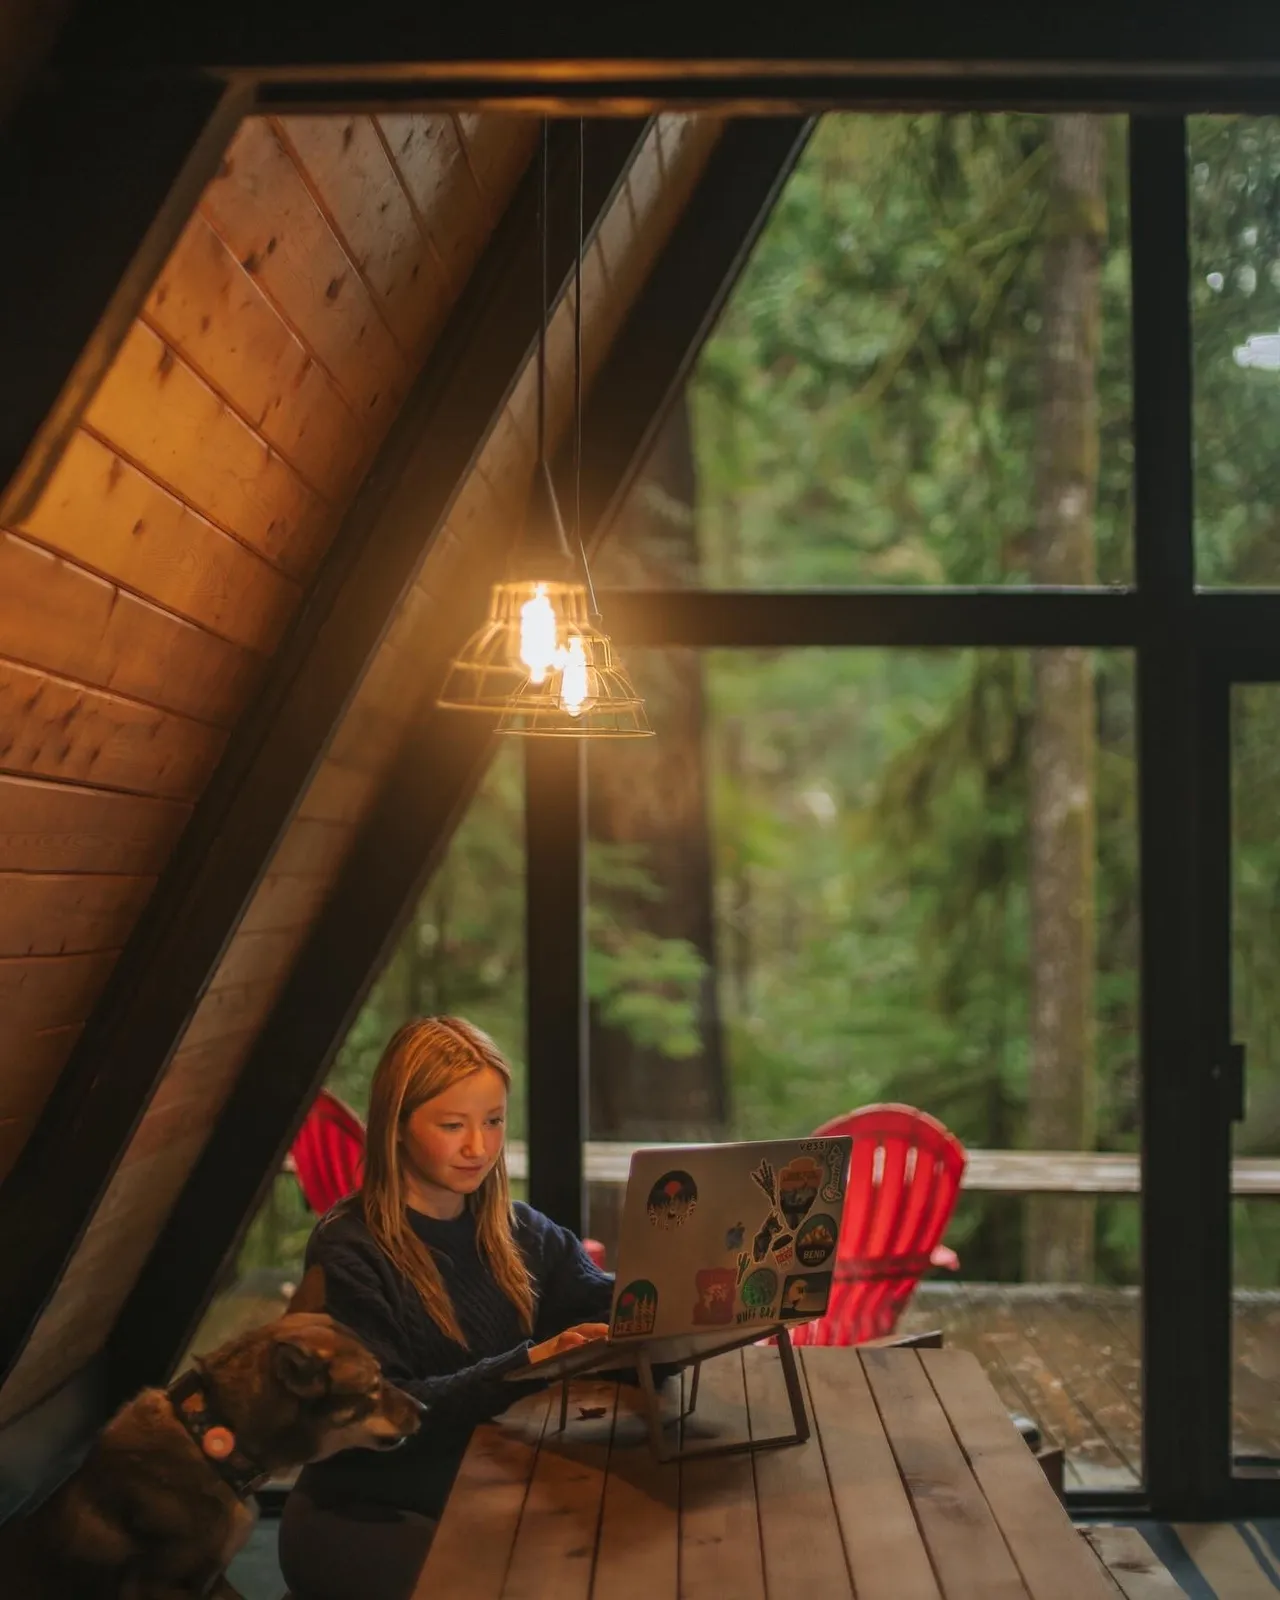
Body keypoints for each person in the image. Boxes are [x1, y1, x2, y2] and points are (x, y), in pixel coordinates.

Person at [277, 1017, 613, 1600]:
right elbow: (386, 1413)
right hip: (367, 1511)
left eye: (493, 1122)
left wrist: (677, 1298)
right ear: (398, 1127)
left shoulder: (517, 1229)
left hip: (480, 1489)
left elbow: (604, 1302)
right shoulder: (350, 1248)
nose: (478, 1148)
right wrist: (527, 1364)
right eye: (453, 1125)